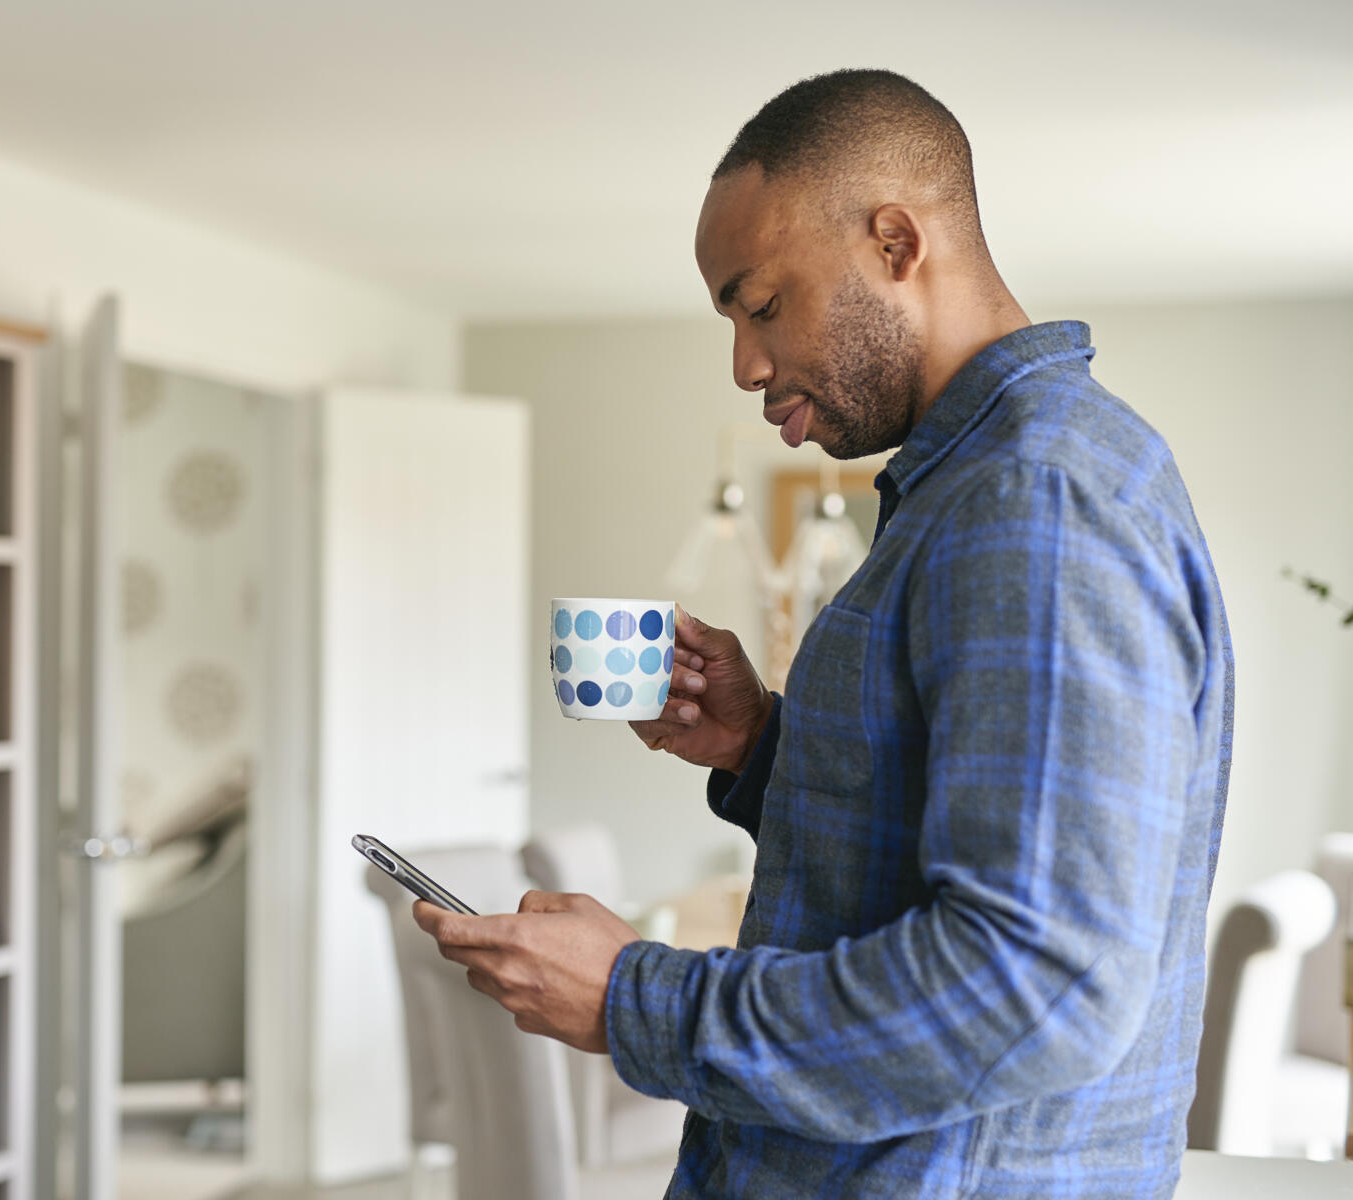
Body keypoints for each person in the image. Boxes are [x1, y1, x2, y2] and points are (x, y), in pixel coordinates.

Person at [414, 68, 1234, 1197]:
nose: (746, 364)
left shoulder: (1034, 499)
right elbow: (950, 842)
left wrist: (634, 999)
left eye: (761, 305)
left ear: (896, 241)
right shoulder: (981, 489)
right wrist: (765, 748)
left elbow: (1037, 985)